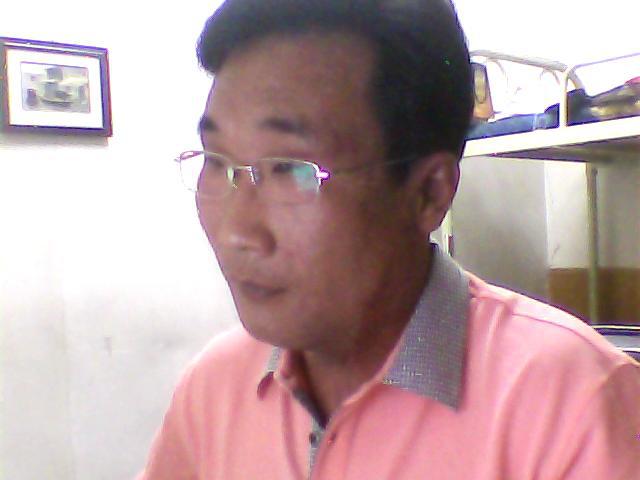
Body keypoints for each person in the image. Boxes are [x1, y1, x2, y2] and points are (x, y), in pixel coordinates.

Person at [138, 0, 640, 478]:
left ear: (428, 193)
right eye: (216, 161)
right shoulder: (216, 385)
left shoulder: (572, 404)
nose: (236, 232)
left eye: (291, 170)